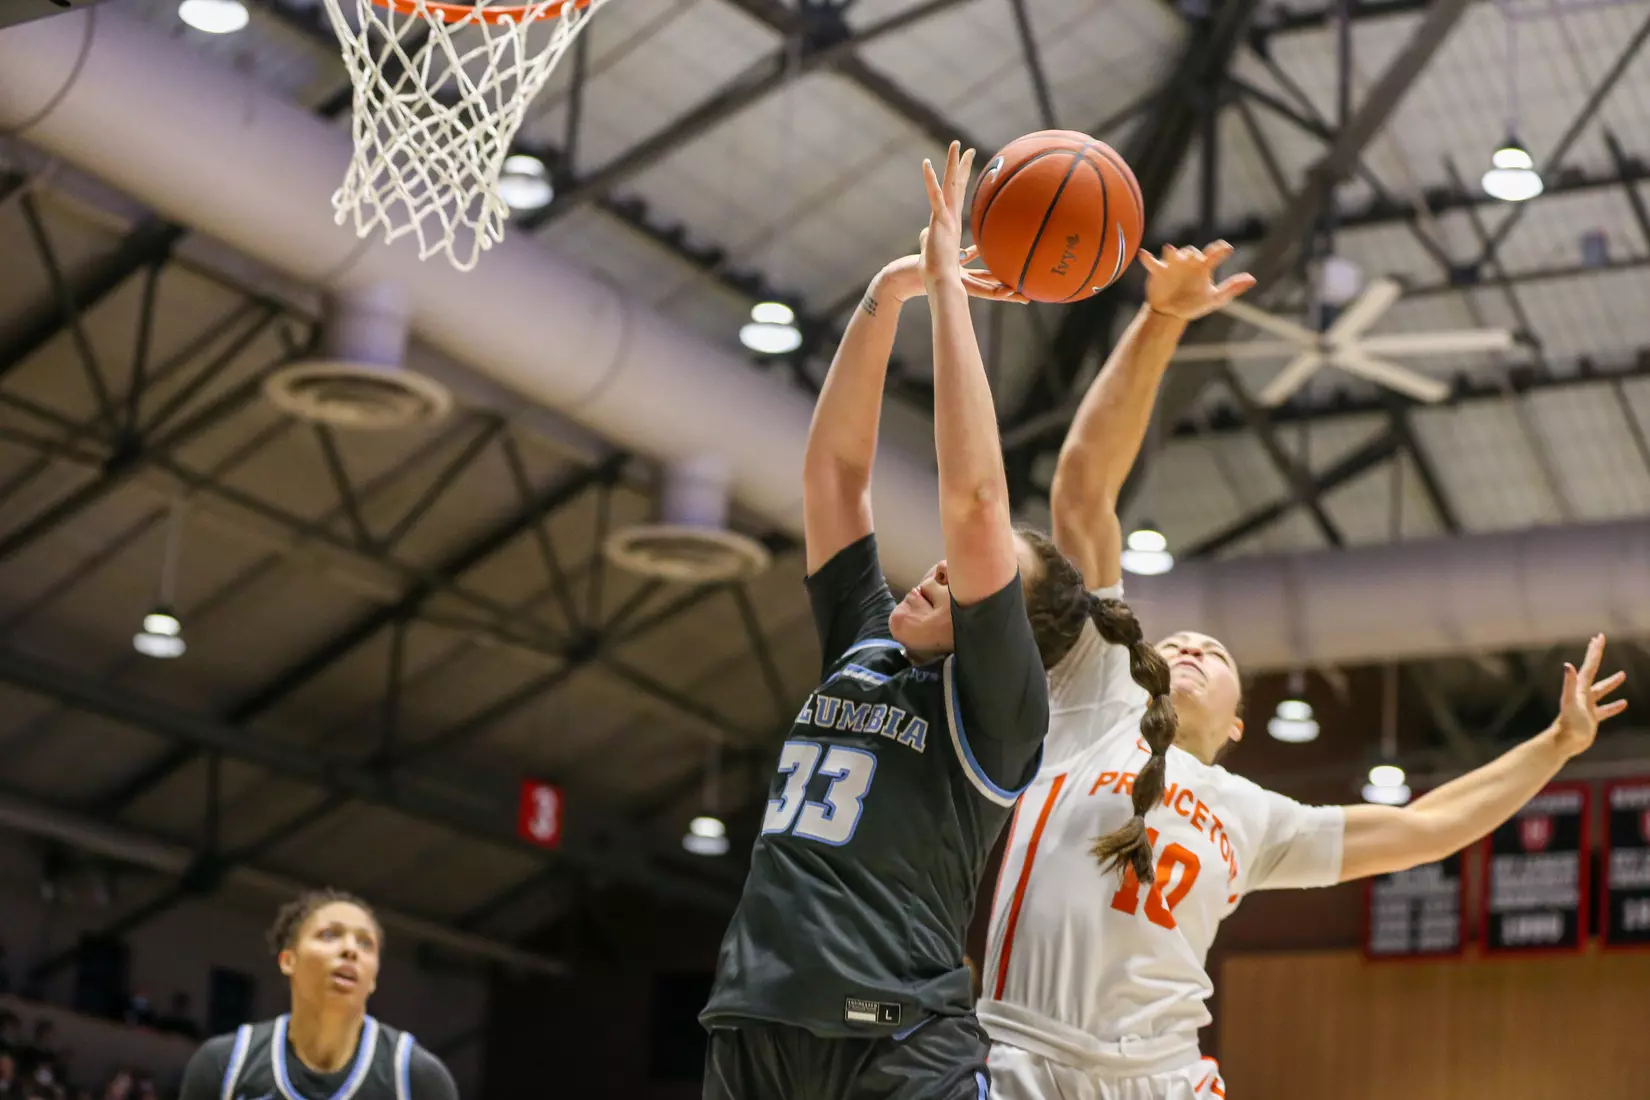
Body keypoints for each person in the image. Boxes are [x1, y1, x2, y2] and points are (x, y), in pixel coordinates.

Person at [977, 242, 1630, 1099]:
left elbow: (1426, 829)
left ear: (1238, 728)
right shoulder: (1096, 692)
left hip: (1162, 1079)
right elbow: (1082, 488)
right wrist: (1161, 318)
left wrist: (1554, 746)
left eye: (1217, 654)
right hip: (1023, 1056)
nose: (1194, 647)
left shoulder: (1256, 816)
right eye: (1181, 643)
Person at [699, 143, 1170, 1100]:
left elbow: (976, 499)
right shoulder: (865, 645)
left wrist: (955, 292)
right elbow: (833, 476)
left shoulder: (999, 709)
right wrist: (894, 288)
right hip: (753, 1019)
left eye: (965, 582)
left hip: (895, 1038)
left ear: (1005, 624)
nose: (933, 577)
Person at [178, 889, 458, 1100]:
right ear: (288, 960)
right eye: (329, 935)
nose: (350, 950)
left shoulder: (416, 1078)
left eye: (365, 944)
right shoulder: (225, 1065)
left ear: (373, 979)